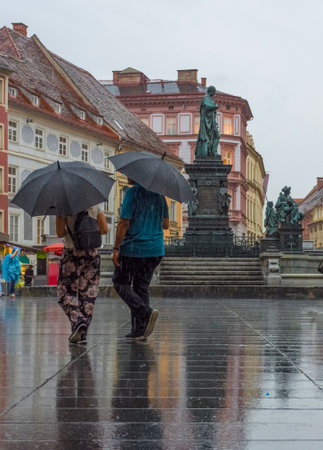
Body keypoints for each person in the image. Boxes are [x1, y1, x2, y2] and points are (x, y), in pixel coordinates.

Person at [112, 178, 169, 341]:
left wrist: (116, 247)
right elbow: (165, 224)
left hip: (134, 248)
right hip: (155, 250)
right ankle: (140, 330)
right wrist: (150, 218)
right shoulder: (159, 195)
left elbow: (124, 222)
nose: (126, 175)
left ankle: (145, 313)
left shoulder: (133, 192)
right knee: (141, 287)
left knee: (120, 283)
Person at [56, 205, 108, 345]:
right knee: (88, 294)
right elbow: (104, 229)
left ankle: (78, 321)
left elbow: (60, 233)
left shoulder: (64, 207)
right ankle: (82, 333)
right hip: (92, 254)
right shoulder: (95, 205)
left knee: (65, 292)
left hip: (72, 254)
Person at [195, 85, 220, 158]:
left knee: (216, 136)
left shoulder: (210, 99)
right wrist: (215, 107)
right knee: (215, 137)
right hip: (206, 124)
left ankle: (213, 152)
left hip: (211, 123)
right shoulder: (206, 98)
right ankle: (213, 153)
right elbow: (206, 107)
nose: (214, 94)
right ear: (211, 91)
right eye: (214, 92)